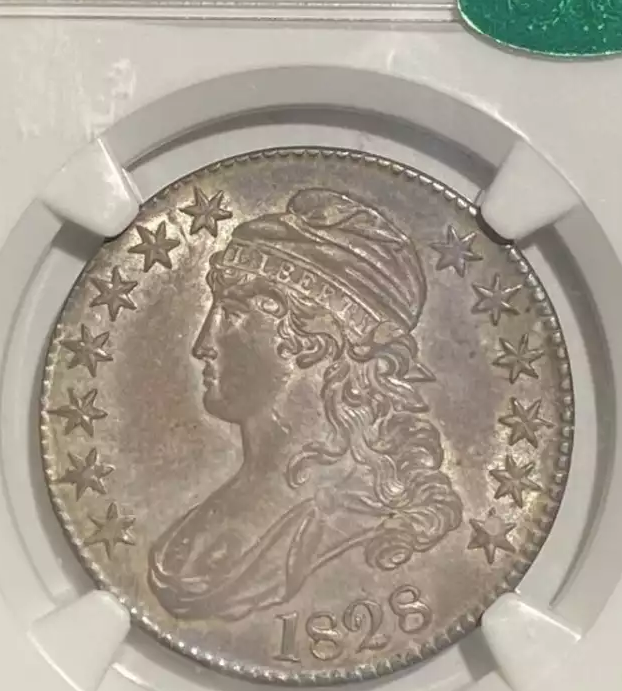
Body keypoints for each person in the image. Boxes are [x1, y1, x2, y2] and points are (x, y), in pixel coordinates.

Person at [148, 187, 462, 622]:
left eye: (233, 314)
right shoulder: (207, 514)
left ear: (314, 343)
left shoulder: (365, 529)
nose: (204, 343)